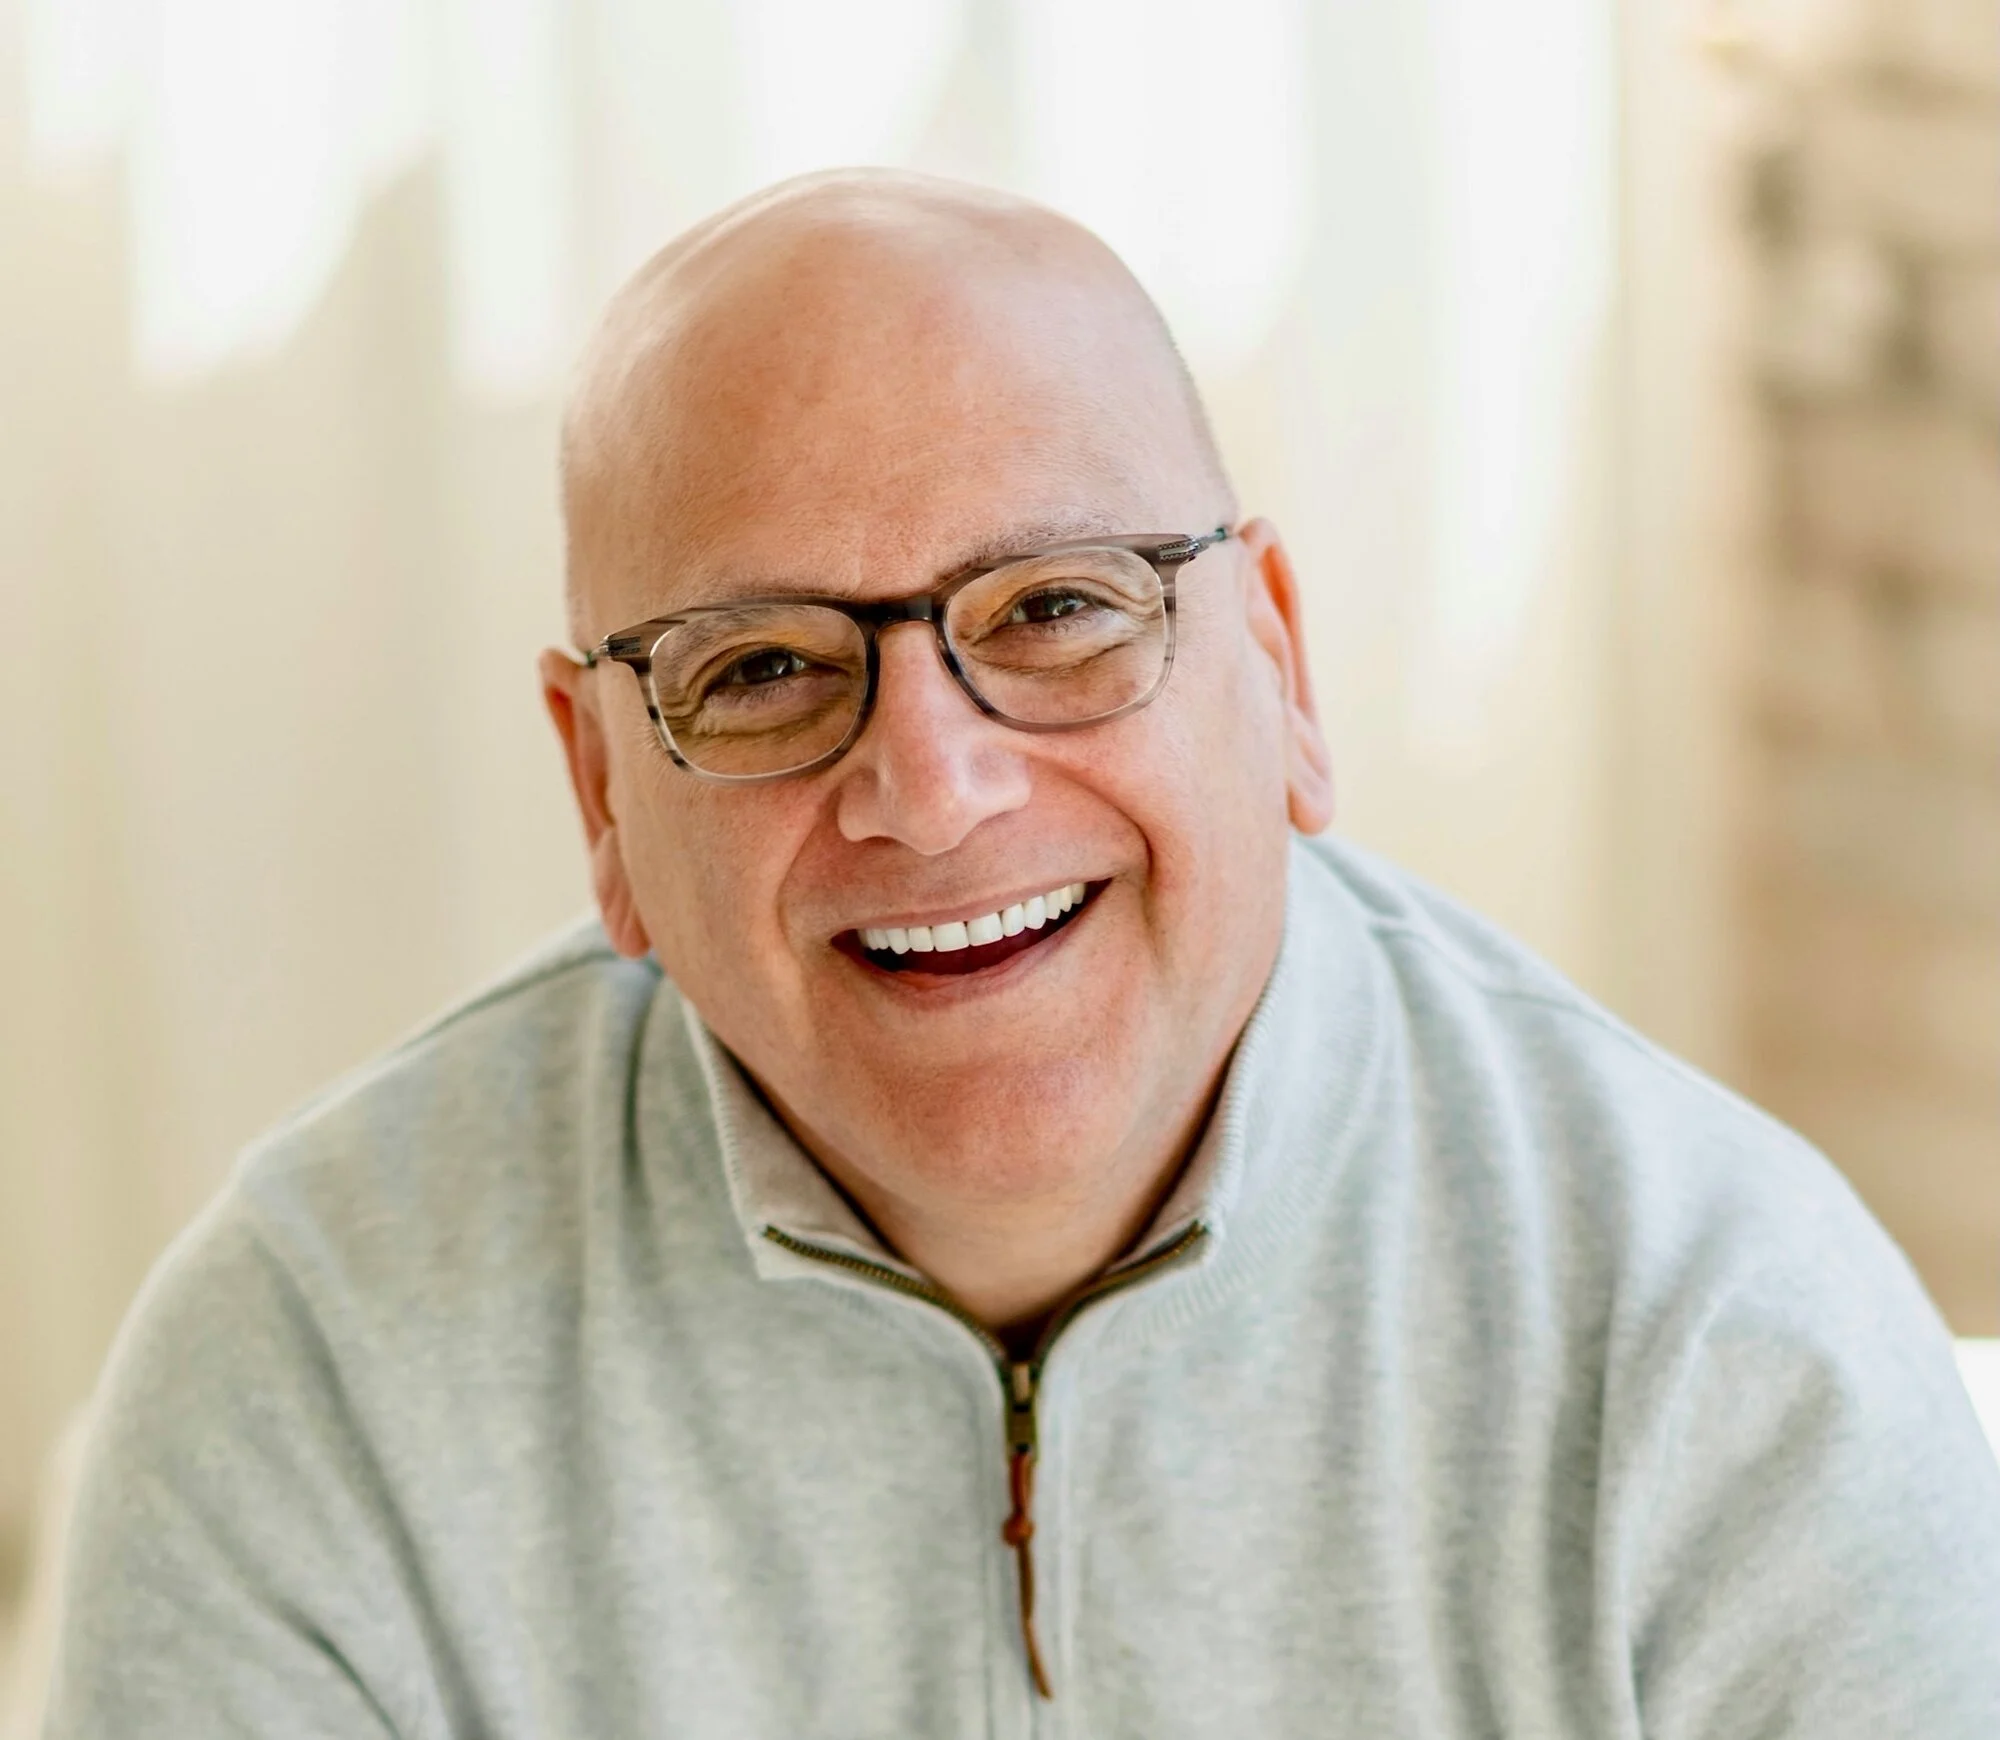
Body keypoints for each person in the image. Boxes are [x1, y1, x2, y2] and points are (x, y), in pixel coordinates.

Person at [45, 170, 2000, 1738]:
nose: (930, 784)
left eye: (1059, 606)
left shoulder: (1728, 1346)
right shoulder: (305, 1380)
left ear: (1280, 669)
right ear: (599, 793)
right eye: (761, 667)